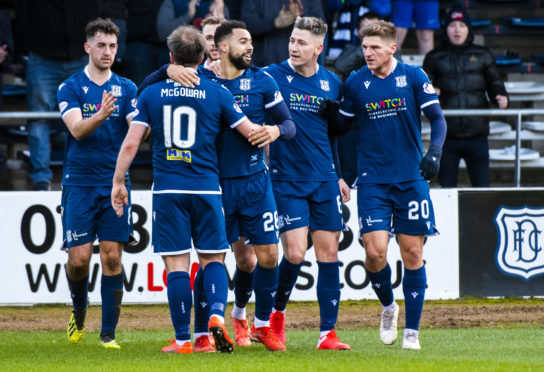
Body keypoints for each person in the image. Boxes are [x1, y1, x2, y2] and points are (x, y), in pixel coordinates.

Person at [111, 25, 273, 354]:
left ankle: (185, 339)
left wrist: (118, 181)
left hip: (169, 190)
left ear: (170, 57)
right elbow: (249, 132)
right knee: (213, 259)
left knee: (177, 267)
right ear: (203, 56)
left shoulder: (151, 93)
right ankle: (214, 317)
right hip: (208, 189)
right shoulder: (218, 93)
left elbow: (131, 143)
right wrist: (276, 129)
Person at [337, 20, 447, 349]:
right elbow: (341, 129)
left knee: (412, 252)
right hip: (372, 181)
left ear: (392, 48)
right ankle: (388, 306)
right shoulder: (356, 82)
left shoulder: (413, 76)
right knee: (374, 252)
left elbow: (438, 120)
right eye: (364, 48)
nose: (367, 53)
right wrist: (341, 172)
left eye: (374, 48)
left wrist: (435, 153)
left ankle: (412, 332)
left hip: (410, 178)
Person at [264, 16, 351, 350]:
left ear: (319, 48)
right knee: (296, 254)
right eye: (292, 40)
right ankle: (276, 317)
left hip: (324, 179)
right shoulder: (271, 76)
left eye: (301, 43)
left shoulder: (332, 83)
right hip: (286, 179)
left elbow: (332, 135)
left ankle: (327, 333)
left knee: (329, 253)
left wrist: (340, 174)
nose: (294, 47)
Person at [57, 17, 138, 349]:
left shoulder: (127, 88)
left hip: (114, 184)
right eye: (101, 45)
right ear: (88, 47)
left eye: (113, 46)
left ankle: (108, 333)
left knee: (112, 257)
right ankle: (79, 310)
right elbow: (76, 130)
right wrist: (102, 115)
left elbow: (136, 127)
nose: (107, 51)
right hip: (78, 183)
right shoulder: (70, 87)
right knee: (78, 260)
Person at [422, 6, 508, 187]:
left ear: (468, 29)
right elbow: (424, 84)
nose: (457, 30)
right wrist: (430, 90)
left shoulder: (483, 54)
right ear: (446, 29)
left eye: (462, 25)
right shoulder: (434, 57)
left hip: (477, 134)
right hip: (447, 136)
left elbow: (495, 82)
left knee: (482, 189)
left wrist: (500, 96)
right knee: (447, 189)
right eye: (452, 25)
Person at [18, 0, 98, 190]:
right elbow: (23, 14)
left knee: (87, 116)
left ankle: (82, 175)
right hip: (42, 57)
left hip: (79, 56)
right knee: (39, 117)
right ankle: (41, 179)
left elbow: (95, 11)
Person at [240, 0, 325, 67]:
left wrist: (301, 20)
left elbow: (321, 25)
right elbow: (246, 26)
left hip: (301, 64)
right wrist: (274, 23)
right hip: (265, 63)